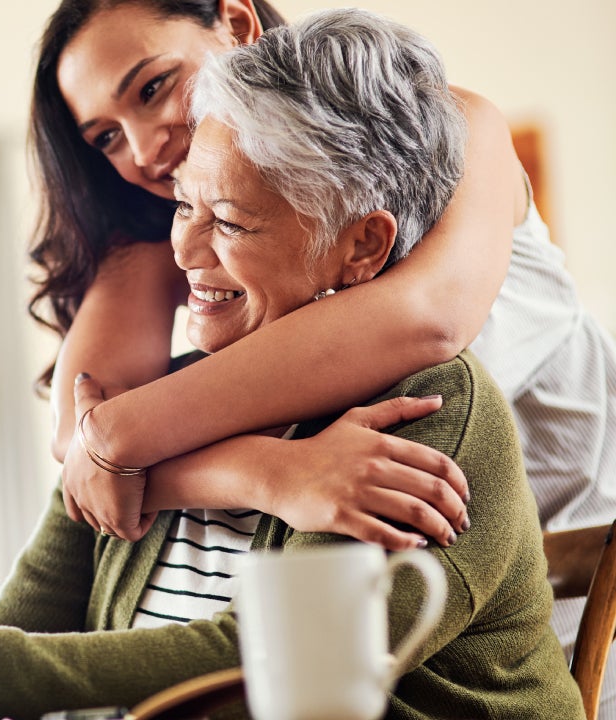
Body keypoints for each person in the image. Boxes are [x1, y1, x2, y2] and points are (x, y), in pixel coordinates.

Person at [0, 12, 583, 718]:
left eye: (227, 220)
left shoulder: (426, 408)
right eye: (181, 205)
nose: (183, 247)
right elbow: (30, 613)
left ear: (358, 249)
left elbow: (255, 668)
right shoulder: (179, 380)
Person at [33, 0, 616, 706]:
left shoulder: (448, 129)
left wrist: (120, 440)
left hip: (570, 604)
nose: (145, 147)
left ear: (238, 25)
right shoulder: (185, 224)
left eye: (153, 87)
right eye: (105, 138)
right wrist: (265, 474)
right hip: (390, 592)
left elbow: (426, 321)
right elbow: (80, 435)